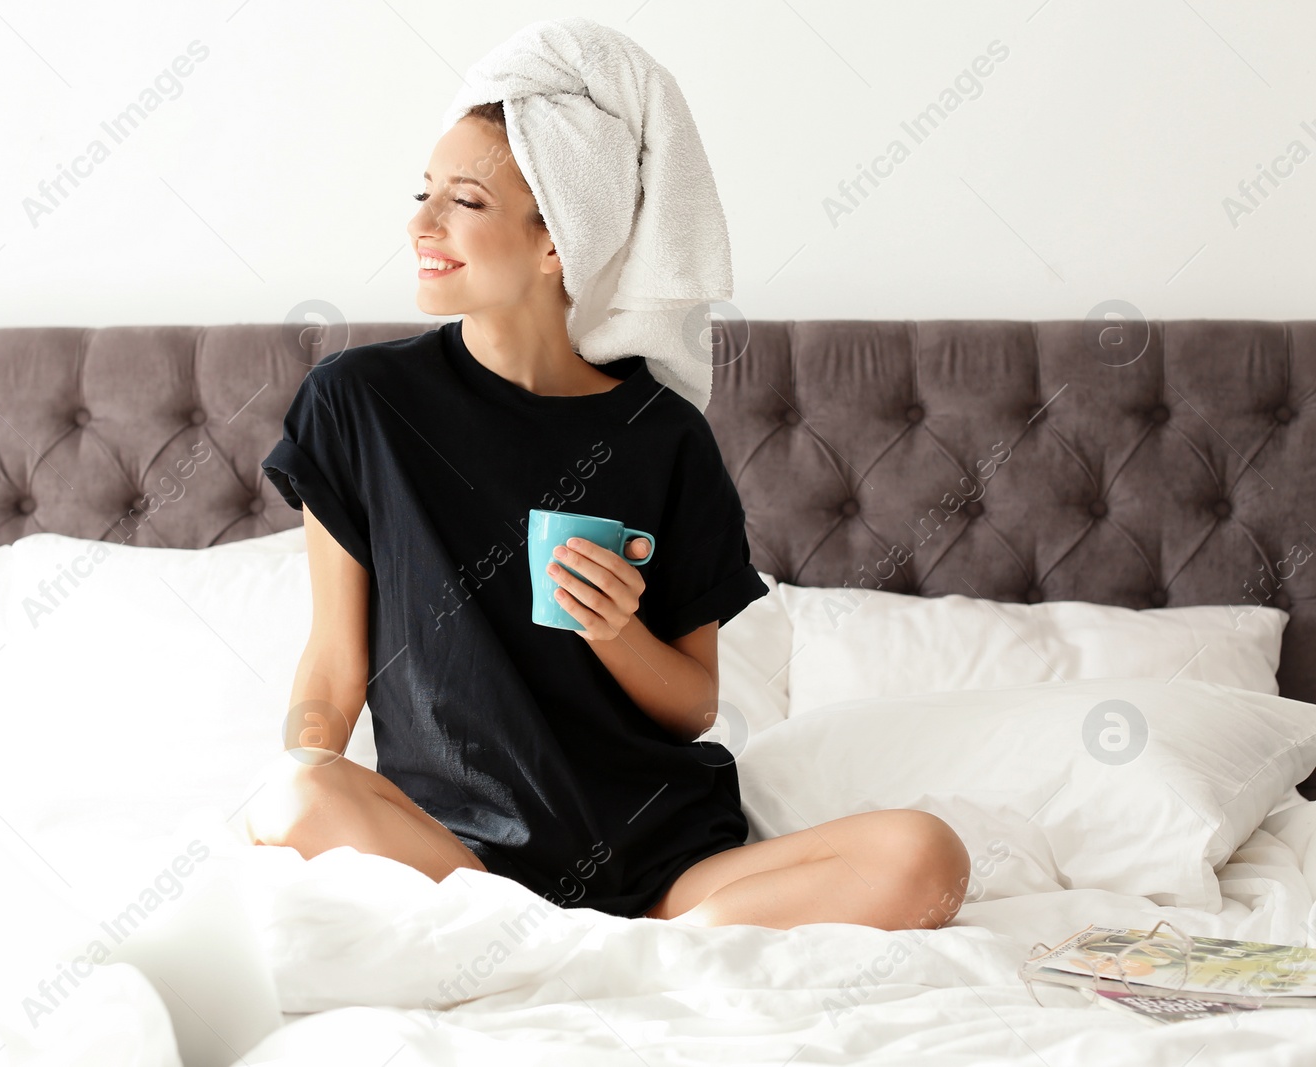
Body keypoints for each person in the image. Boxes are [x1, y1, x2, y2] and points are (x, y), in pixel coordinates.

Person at [253, 102, 970, 930]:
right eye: (424, 194)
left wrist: (615, 630)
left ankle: (608, 946)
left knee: (927, 854)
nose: (422, 222)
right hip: (459, 861)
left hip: (660, 861)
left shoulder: (664, 436)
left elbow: (693, 705)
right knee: (297, 793)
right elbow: (336, 666)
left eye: (465, 201)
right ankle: (585, 945)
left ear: (557, 242)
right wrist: (304, 763)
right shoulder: (359, 404)